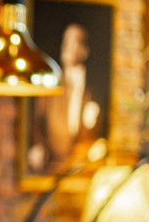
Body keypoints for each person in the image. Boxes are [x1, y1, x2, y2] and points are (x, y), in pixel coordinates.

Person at [27, 21, 104, 175]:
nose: (67, 47)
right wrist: (38, 146)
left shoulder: (95, 87)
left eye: (73, 42)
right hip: (50, 163)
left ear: (84, 50)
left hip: (80, 167)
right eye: (66, 41)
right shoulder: (51, 81)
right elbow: (36, 118)